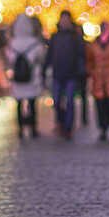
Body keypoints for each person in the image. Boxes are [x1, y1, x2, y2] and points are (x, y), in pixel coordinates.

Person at [45, 10, 87, 139]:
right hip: (58, 74)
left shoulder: (76, 37)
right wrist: (45, 69)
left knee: (70, 102)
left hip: (71, 74)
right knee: (56, 101)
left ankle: (68, 128)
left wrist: (80, 70)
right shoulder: (55, 36)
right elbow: (50, 55)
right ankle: (61, 122)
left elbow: (81, 55)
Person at [7, 14, 47, 138]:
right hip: (33, 77)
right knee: (32, 103)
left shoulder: (12, 43)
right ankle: (33, 128)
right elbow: (41, 57)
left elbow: (9, 59)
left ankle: (20, 129)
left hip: (18, 78)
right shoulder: (35, 43)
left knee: (19, 104)